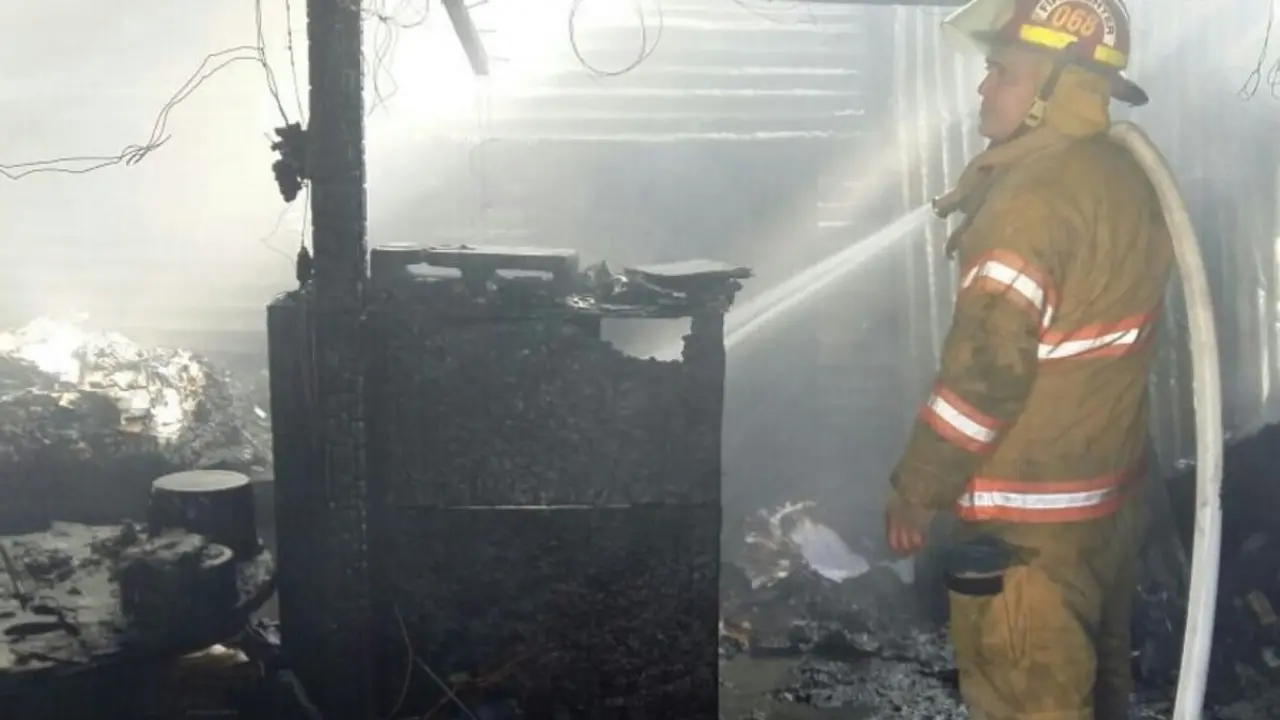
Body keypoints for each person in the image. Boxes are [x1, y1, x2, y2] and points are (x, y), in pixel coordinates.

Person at [881, 0, 1171, 718]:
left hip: (1026, 537)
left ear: (1055, 91)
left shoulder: (1031, 204)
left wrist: (917, 490)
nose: (984, 89)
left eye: (1000, 72)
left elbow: (984, 379)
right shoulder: (1120, 179)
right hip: (1099, 516)